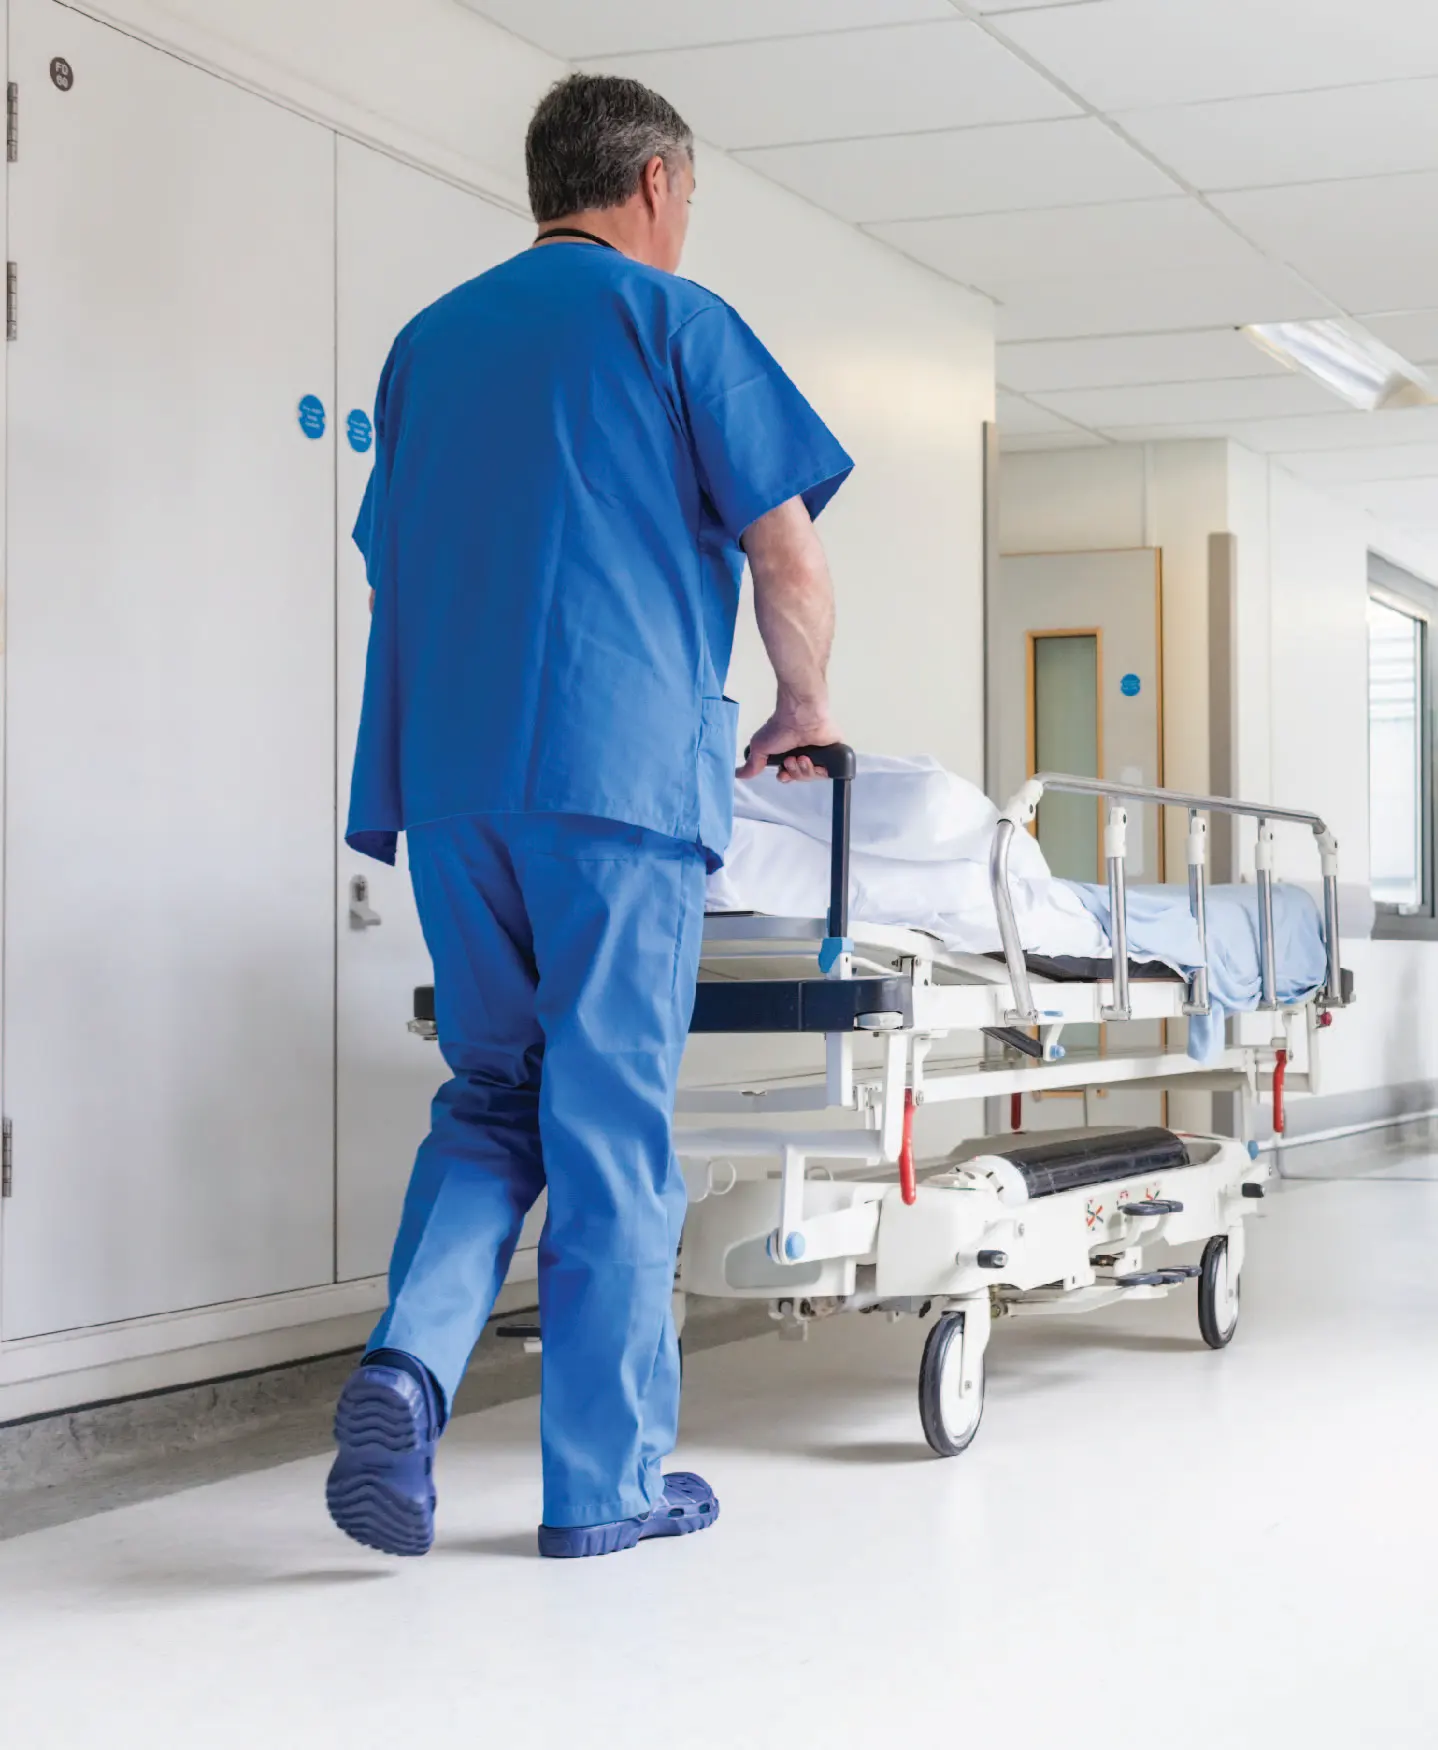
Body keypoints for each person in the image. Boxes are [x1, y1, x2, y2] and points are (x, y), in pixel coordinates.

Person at [326, 72, 852, 1562]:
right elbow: (787, 560)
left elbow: (393, 572)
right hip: (614, 785)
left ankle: (406, 1365)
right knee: (608, 1117)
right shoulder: (679, 324)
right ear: (661, 182)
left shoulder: (427, 346)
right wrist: (802, 706)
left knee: (492, 1094)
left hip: (451, 781)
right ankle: (601, 1483)